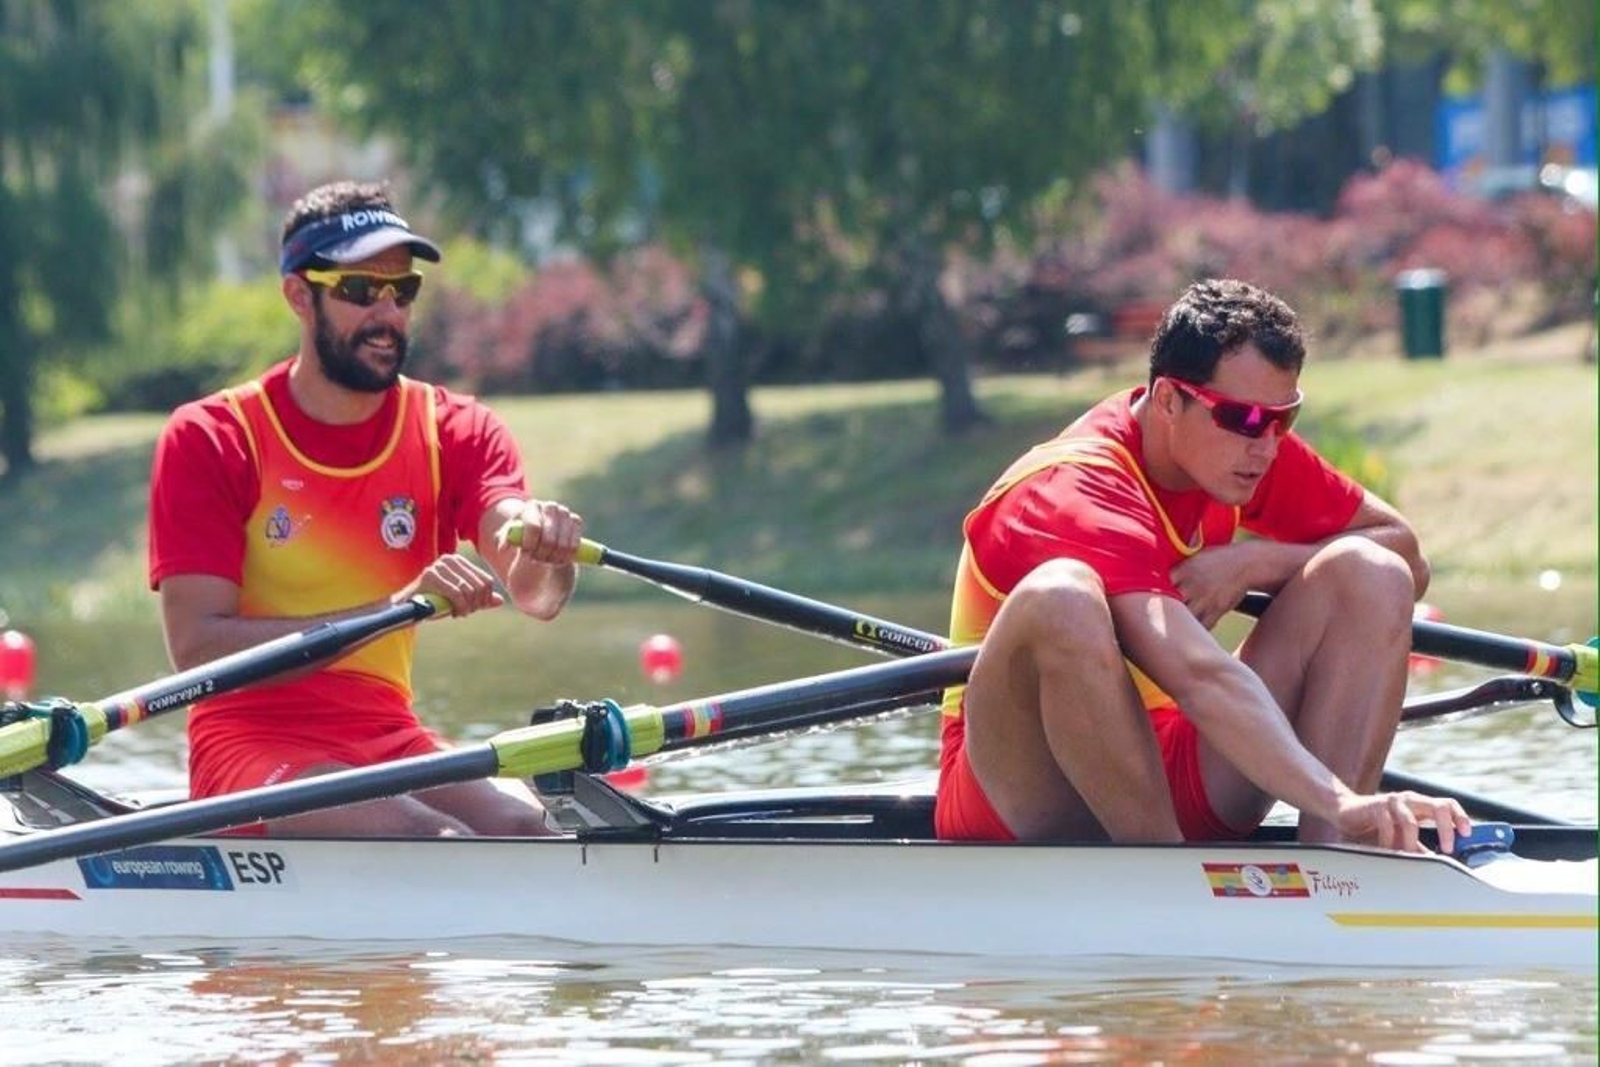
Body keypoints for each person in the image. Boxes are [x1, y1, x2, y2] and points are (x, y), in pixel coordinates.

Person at [936, 278, 1471, 854]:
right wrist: (1337, 792)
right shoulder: (1072, 488)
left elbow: (1405, 555)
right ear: (1169, 400)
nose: (1265, 445)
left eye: (1283, 418)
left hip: (1172, 763)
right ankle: (1172, 880)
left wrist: (1255, 561)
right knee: (1060, 597)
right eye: (1243, 419)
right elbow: (1200, 677)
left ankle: (1343, 858)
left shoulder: (1241, 447)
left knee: (1373, 572)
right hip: (1022, 793)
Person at [147, 179, 582, 837]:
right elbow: (198, 648)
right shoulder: (216, 435)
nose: (387, 313)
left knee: (530, 833)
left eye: (401, 290)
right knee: (430, 839)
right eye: (358, 291)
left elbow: (533, 590)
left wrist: (552, 554)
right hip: (250, 742)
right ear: (299, 293)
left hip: (389, 735)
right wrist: (389, 609)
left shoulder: (456, 429)